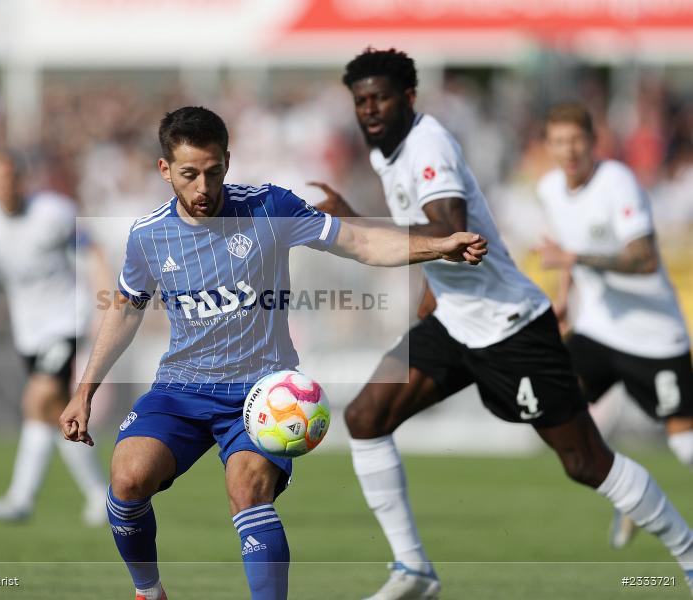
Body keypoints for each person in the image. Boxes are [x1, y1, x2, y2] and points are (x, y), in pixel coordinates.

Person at [309, 48, 693, 600]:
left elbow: (450, 230)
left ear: (409, 99)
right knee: (367, 417)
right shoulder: (385, 151)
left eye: (380, 98)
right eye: (360, 100)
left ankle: (686, 552)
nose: (369, 109)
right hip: (454, 323)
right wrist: (428, 294)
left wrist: (364, 228)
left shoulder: (427, 145)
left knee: (586, 463)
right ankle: (414, 571)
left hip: (510, 328)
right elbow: (433, 248)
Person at [58, 106, 487, 600]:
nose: (203, 187)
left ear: (228, 162)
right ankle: (149, 592)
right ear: (164, 170)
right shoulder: (147, 236)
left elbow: (361, 242)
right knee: (127, 481)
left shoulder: (269, 209)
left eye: (214, 172)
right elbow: (126, 311)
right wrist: (85, 390)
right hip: (181, 387)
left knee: (247, 492)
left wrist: (438, 245)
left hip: (263, 394)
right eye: (189, 174)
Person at [536, 101, 693, 549]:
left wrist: (574, 260)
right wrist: (565, 298)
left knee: (686, 448)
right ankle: (631, 493)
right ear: (547, 145)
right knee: (555, 407)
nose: (569, 151)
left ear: (593, 141)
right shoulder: (549, 189)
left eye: (577, 141)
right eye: (559, 142)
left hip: (655, 337)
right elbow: (566, 246)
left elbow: (644, 260)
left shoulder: (617, 182)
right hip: (600, 330)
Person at [0, 148, 109, 526]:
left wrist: (105, 303)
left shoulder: (53, 212)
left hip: (67, 319)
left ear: (23, 179)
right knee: (53, 411)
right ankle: (101, 495)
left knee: (37, 398)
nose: (5, 186)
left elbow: (93, 251)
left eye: (12, 177)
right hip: (28, 330)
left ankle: (21, 499)